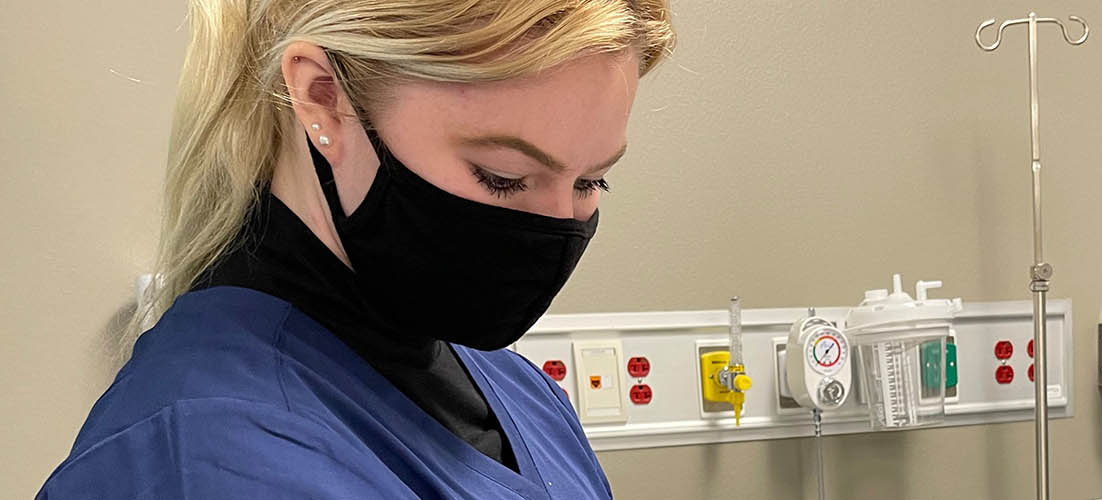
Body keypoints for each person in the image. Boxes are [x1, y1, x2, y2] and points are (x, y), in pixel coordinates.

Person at [37, 0, 673, 498]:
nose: (558, 224)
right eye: (502, 176)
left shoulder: (519, 395)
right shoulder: (214, 453)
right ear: (322, 97)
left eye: (592, 180)